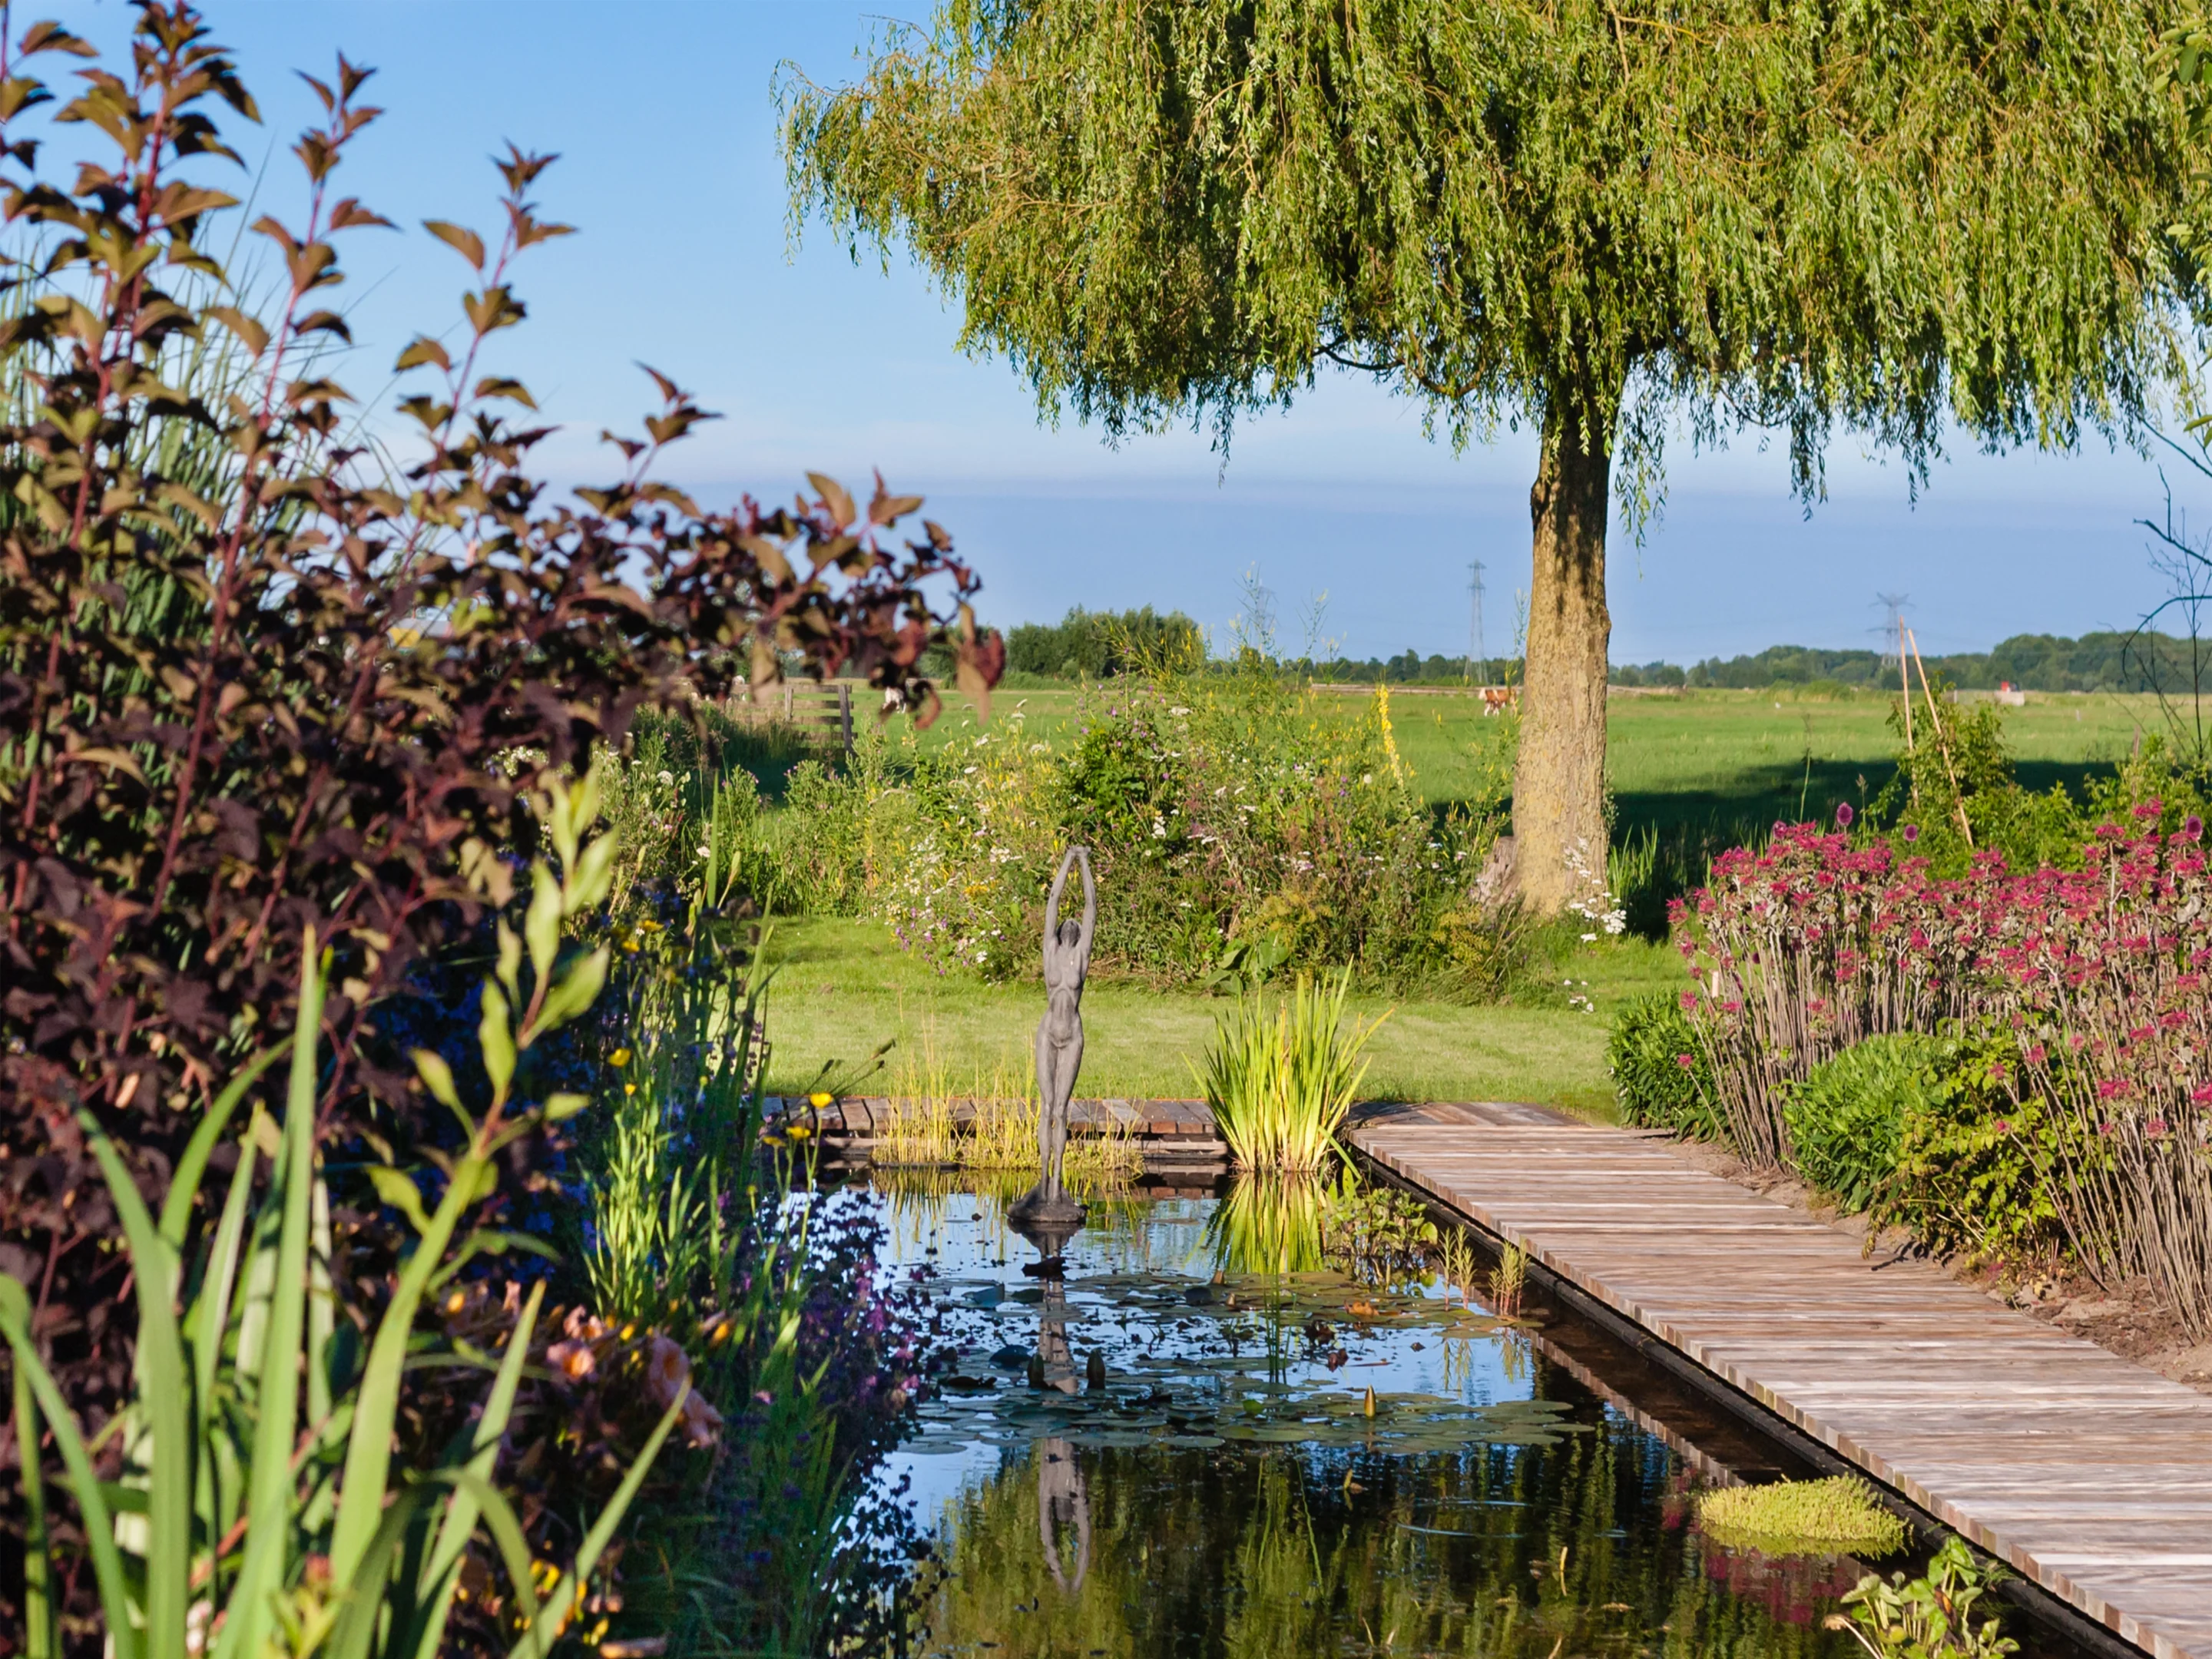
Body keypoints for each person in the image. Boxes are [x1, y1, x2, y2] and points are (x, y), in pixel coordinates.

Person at [1011, 846, 1094, 1223]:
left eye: (1076, 926)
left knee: (1062, 1109)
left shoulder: (1082, 955)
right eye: (1067, 924)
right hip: (1048, 1032)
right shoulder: (1050, 950)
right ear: (1061, 931)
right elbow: (1054, 899)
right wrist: (1067, 860)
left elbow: (1091, 907)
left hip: (1072, 1034)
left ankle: (1058, 1184)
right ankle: (1042, 1183)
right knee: (1046, 1109)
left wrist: (1085, 862)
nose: (1071, 924)